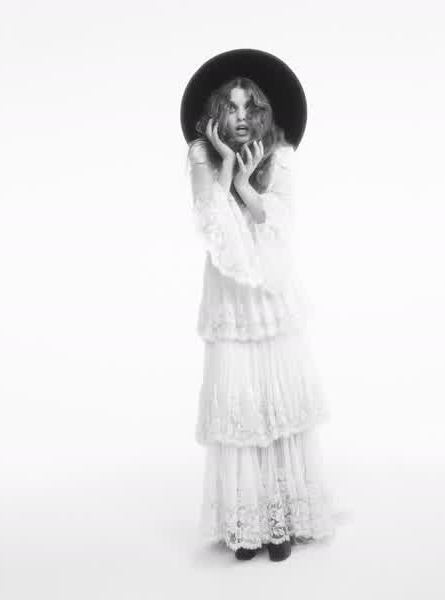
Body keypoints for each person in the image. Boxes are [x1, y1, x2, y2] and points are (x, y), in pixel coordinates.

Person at [182, 52, 338, 562]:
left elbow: (279, 234)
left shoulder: (283, 154)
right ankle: (244, 522)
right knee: (240, 408)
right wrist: (227, 169)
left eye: (250, 106)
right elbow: (214, 232)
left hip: (272, 295)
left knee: (277, 405)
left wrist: (247, 188)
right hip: (230, 298)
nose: (242, 116)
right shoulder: (202, 155)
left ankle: (282, 523)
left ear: (265, 111)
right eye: (231, 107)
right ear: (216, 112)